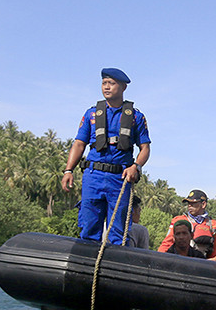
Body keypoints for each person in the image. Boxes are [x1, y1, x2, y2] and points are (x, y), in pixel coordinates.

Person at [62, 68, 151, 245]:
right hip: (93, 176)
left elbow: (145, 148)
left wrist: (136, 167)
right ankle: (87, 266)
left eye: (111, 83)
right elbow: (79, 143)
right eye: (104, 83)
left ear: (123, 87)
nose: (106, 87)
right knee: (89, 227)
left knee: (118, 232)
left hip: (120, 179)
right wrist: (68, 170)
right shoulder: (91, 114)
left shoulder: (136, 117)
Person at [158, 189, 216, 257]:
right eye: (188, 203)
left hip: (202, 263)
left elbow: (214, 251)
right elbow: (167, 244)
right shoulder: (178, 220)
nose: (189, 206)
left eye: (193, 203)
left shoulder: (214, 225)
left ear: (203, 204)